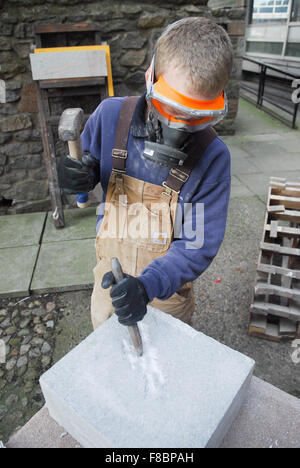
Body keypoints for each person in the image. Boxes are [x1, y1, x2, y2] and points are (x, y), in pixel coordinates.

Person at [58, 17, 233, 330]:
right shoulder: (110, 118)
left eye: (198, 117)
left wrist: (149, 285)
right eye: (171, 109)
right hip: (108, 280)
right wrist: (80, 177)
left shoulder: (213, 158)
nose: (180, 129)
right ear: (150, 77)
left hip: (167, 294)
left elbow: (195, 246)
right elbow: (82, 180)